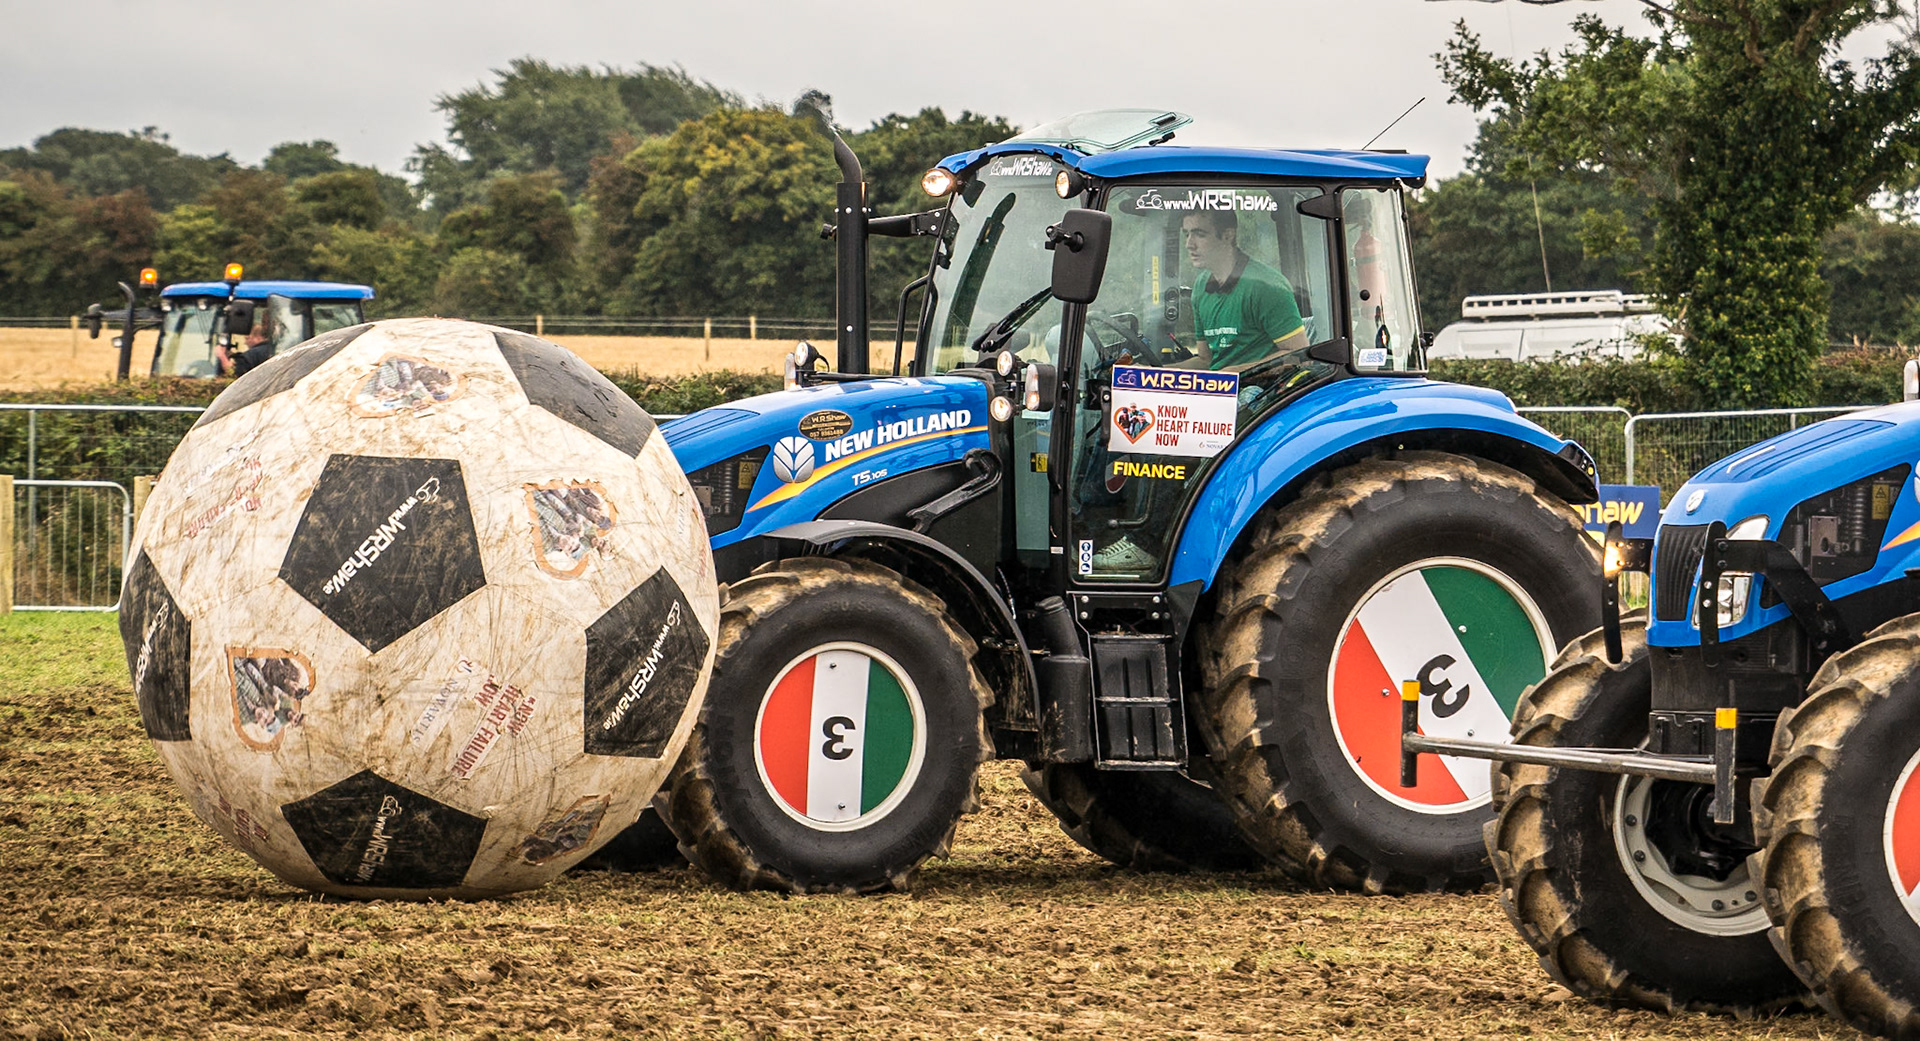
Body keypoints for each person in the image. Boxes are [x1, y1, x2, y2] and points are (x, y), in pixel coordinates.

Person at [1181, 209, 1309, 370]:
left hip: (1262, 391)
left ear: (1228, 236)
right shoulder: (1201, 286)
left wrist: (1234, 374)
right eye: (1187, 234)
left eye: (1199, 234)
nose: (1189, 244)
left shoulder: (1266, 286)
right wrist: (1152, 373)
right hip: (1219, 389)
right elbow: (1206, 360)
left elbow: (1299, 355)